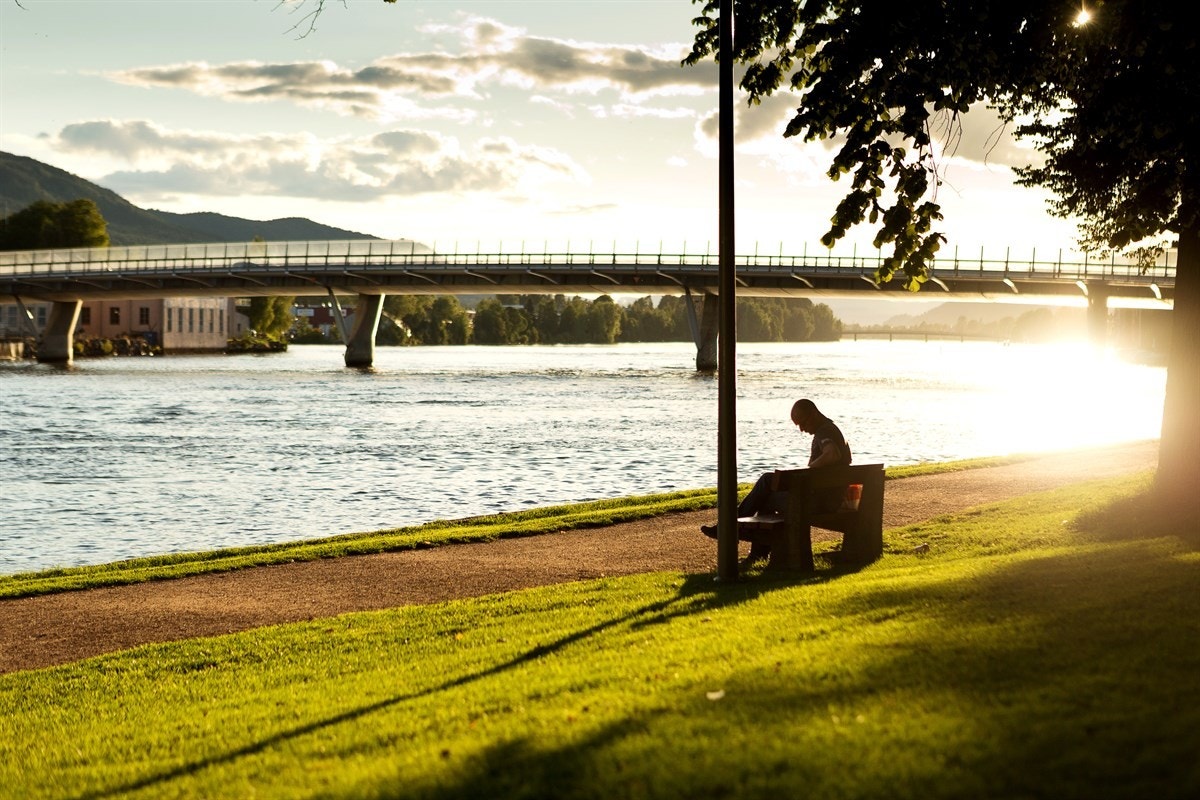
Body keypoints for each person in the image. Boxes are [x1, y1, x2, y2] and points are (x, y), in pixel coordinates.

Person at [701, 398, 852, 562]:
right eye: (798, 425)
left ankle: (729, 529)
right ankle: (744, 542)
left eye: (803, 423)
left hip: (818, 503)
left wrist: (807, 472)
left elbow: (832, 454)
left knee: (766, 483)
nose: (801, 429)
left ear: (813, 414)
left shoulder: (826, 431)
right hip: (828, 499)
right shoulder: (830, 429)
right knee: (766, 492)